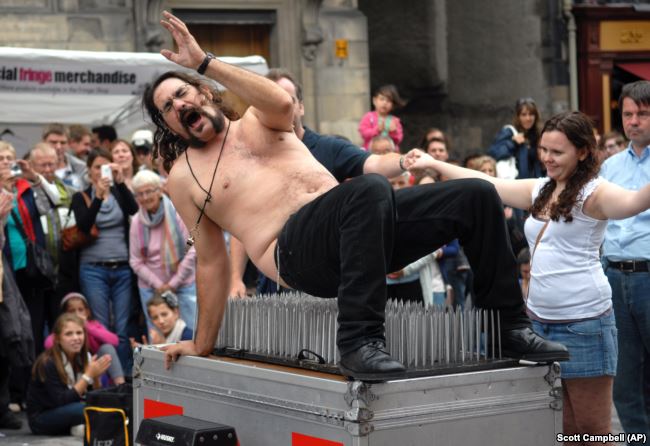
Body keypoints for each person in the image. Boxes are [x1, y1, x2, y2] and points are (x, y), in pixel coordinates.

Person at [146, 12, 567, 381]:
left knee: (475, 194)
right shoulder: (185, 178)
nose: (178, 105)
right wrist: (201, 343)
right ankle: (359, 341)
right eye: (167, 107)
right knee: (367, 191)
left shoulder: (257, 120)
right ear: (168, 125)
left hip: (359, 236)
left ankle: (511, 329)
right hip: (295, 256)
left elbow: (281, 100)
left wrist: (204, 62)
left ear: (201, 92)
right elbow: (212, 260)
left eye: (181, 93)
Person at [412, 110, 650, 440]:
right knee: (560, 427)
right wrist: (435, 165)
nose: (547, 158)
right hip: (538, 322)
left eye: (557, 152)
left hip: (585, 324)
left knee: (592, 431)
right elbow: (486, 183)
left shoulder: (597, 192)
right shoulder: (540, 188)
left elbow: (635, 201)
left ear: (582, 152)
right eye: (543, 150)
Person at [600, 80, 650, 439]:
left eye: (643, 114)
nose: (633, 121)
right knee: (625, 380)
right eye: (628, 114)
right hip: (615, 278)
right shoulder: (610, 167)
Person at [71, 148, 138, 374]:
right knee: (101, 327)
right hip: (93, 269)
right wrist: (98, 197)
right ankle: (109, 378)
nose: (101, 171)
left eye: (105, 166)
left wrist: (119, 183)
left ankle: (125, 378)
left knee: (121, 326)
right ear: (89, 171)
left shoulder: (119, 192)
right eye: (97, 167)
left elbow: (134, 209)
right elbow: (83, 224)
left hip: (121, 267)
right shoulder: (81, 196)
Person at [129, 169, 197, 331]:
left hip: (183, 283)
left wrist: (173, 283)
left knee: (190, 331)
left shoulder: (178, 213)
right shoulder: (136, 222)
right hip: (151, 288)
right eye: (140, 194)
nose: (145, 197)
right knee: (158, 337)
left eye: (149, 191)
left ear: (159, 190)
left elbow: (192, 248)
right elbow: (135, 261)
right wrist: (159, 285)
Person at [26, 313, 111, 436]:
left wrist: (96, 377)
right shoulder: (48, 362)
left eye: (79, 333)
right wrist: (87, 376)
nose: (76, 338)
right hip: (42, 418)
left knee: (101, 406)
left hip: (67, 411)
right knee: (85, 409)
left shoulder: (84, 357)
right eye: (69, 334)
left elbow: (93, 397)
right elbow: (61, 401)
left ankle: (79, 428)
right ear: (57, 339)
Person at [44, 292, 125, 385]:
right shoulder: (63, 328)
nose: (76, 314)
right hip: (72, 368)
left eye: (80, 310)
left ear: (87, 312)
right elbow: (48, 343)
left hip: (96, 369)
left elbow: (114, 341)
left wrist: (87, 327)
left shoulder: (93, 325)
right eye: (72, 311)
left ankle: (120, 385)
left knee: (107, 347)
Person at [488, 97, 543, 180]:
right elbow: (493, 154)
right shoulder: (509, 132)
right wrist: (513, 143)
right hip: (516, 183)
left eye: (531, 114)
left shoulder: (537, 134)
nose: (528, 118)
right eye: (524, 114)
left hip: (534, 183)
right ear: (518, 116)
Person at [358, 84, 405, 151]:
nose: (385, 103)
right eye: (382, 99)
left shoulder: (394, 120)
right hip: (370, 152)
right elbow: (364, 134)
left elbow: (398, 139)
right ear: (374, 100)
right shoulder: (368, 117)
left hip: (389, 153)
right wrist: (377, 130)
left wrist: (393, 132)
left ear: (393, 105)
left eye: (388, 101)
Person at [43, 123, 87, 191]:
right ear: (43, 142)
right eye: (53, 142)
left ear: (68, 144)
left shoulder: (81, 167)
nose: (58, 147)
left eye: (63, 143)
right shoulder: (33, 167)